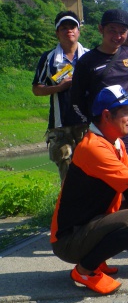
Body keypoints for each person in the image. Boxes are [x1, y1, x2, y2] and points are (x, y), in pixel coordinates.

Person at [49, 85, 128, 295]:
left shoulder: (115, 142)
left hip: (90, 224)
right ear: (107, 116)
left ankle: (97, 260)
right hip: (68, 240)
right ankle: (84, 271)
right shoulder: (94, 148)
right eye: (126, 112)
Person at [71, 8, 128, 163]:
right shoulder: (87, 61)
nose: (118, 36)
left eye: (122, 31)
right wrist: (94, 122)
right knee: (105, 178)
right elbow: (76, 99)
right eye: (112, 30)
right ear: (101, 29)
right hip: (103, 133)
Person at [32, 11, 89, 182]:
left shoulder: (89, 56)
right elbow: (36, 89)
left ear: (79, 30)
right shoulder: (49, 58)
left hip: (86, 123)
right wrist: (59, 87)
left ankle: (92, 209)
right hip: (60, 125)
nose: (68, 31)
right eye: (63, 28)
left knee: (89, 171)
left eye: (72, 27)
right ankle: (68, 209)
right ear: (57, 32)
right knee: (67, 175)